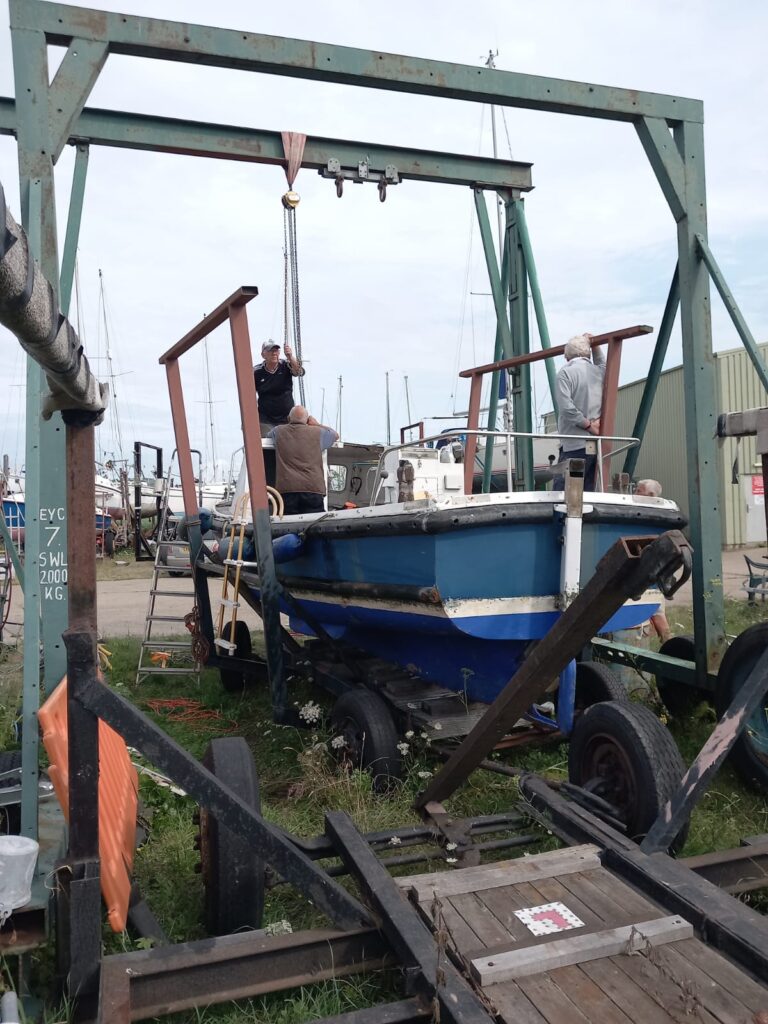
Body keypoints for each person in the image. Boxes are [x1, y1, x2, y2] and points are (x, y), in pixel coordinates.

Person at [553, 333, 605, 491]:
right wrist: (595, 345)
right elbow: (602, 362)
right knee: (587, 492)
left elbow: (566, 408)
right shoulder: (599, 371)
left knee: (563, 493)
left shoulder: (565, 373)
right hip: (594, 443)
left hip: (573, 443)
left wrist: (588, 425)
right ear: (587, 353)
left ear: (566, 355)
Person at [269, 405, 339, 515]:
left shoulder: (277, 432)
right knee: (313, 523)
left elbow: (268, 436)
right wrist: (316, 424)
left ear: (288, 418)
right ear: (307, 420)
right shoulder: (318, 433)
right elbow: (335, 435)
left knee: (288, 522)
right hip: (312, 490)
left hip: (287, 490)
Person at [635, 478, 673, 642]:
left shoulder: (651, 514)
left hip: (650, 571)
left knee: (655, 607)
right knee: (657, 609)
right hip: (654, 571)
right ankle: (668, 642)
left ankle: (668, 642)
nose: (634, 493)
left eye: (638, 490)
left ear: (650, 495)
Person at [254, 340, 305, 437]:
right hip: (265, 420)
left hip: (287, 419)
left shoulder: (286, 365)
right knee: (267, 444)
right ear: (263, 355)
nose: (274, 353)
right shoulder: (256, 372)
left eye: (276, 350)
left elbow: (299, 372)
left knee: (287, 445)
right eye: (270, 350)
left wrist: (290, 356)